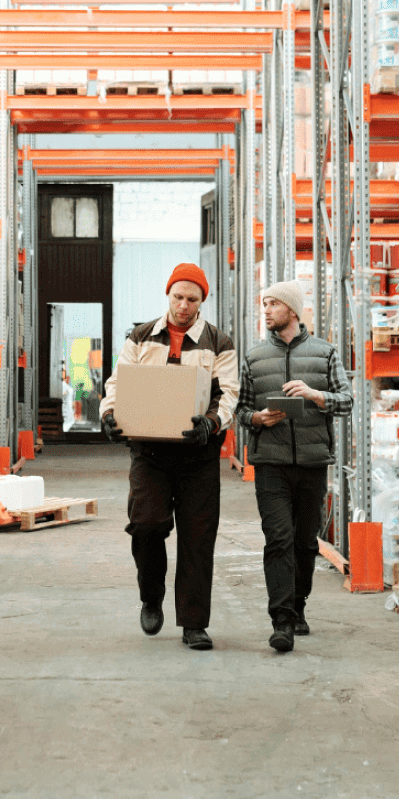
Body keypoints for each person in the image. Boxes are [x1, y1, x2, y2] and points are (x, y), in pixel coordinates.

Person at [100, 263, 238, 651]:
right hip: (150, 453)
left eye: (191, 299)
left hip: (198, 454)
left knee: (197, 538)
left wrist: (211, 424)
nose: (183, 305)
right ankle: (151, 595)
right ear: (168, 295)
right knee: (145, 525)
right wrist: (109, 415)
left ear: (201, 302)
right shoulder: (141, 336)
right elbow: (117, 381)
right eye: (178, 297)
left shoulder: (218, 342)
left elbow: (228, 393)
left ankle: (194, 624)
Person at [235, 280, 353, 653]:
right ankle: (281, 621)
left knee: (305, 542)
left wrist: (316, 395)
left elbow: (347, 400)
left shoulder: (326, 353)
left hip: (313, 462)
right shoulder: (254, 357)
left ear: (292, 310)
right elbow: (241, 409)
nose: (266, 310)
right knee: (279, 539)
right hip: (270, 462)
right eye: (264, 303)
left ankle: (299, 604)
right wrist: (258, 419)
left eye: (272, 303)